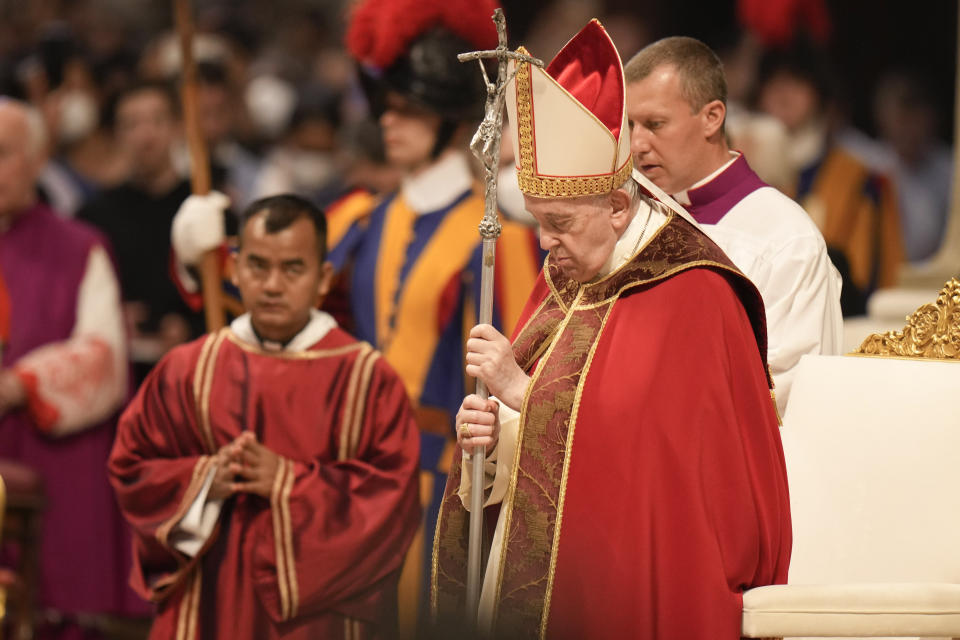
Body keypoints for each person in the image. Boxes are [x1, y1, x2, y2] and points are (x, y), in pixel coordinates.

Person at [432, 21, 791, 639]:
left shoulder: (694, 289)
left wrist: (524, 395)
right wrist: (491, 444)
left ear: (619, 207)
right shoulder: (568, 276)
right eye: (538, 221)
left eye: (561, 221)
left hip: (648, 579)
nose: (546, 243)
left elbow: (665, 466)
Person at [109, 194, 420, 639]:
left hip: (311, 619)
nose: (272, 285)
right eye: (258, 266)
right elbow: (131, 467)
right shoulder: (189, 369)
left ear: (323, 278)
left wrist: (286, 482)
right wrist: (201, 482)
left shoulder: (367, 379)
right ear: (233, 268)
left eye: (292, 269)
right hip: (205, 601)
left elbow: (391, 506)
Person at [623, 36, 842, 412]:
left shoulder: (787, 238)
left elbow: (793, 391)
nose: (638, 143)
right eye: (631, 125)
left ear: (712, 117)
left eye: (654, 124)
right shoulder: (633, 223)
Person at [0, 98, 139, 636]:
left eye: (4, 154)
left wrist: (22, 383)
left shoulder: (81, 248)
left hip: (43, 457)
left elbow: (103, 356)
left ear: (38, 160)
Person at [756, 43, 904, 315]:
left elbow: (870, 280)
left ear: (820, 95)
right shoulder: (745, 172)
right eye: (773, 84)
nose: (783, 95)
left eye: (797, 83)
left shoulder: (862, 181)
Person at [78, 80, 204, 382]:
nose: (146, 136)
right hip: (119, 374)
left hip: (192, 371)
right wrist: (111, 317)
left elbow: (231, 300)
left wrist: (191, 327)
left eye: (157, 121)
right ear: (117, 136)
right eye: (131, 125)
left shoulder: (206, 210)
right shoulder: (93, 217)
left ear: (176, 127)